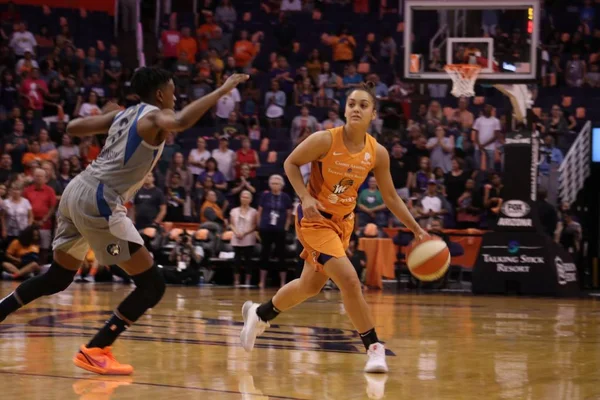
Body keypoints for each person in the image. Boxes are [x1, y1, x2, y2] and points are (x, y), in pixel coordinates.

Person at [0, 67, 249, 375]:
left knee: (58, 277)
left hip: (75, 191)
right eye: (172, 91)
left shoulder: (125, 114)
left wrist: (110, 119)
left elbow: (74, 127)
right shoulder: (155, 116)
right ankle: (95, 349)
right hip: (100, 199)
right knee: (152, 285)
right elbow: (182, 121)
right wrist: (223, 90)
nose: (175, 96)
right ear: (160, 94)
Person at [240, 82, 427, 373]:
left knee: (309, 286)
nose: (356, 108)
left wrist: (416, 228)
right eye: (352, 103)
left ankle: (260, 313)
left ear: (373, 114)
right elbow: (290, 163)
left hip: (344, 223)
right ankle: (374, 348)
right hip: (315, 220)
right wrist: (305, 196)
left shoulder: (377, 153)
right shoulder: (325, 140)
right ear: (345, 109)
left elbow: (390, 197)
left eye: (363, 105)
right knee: (350, 280)